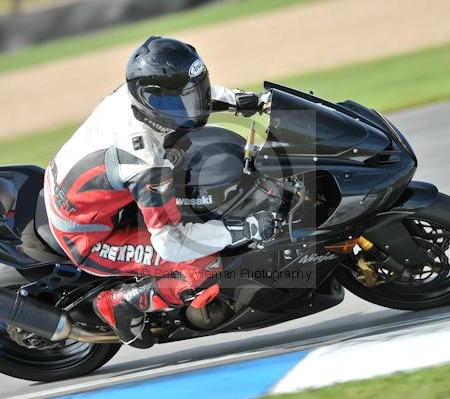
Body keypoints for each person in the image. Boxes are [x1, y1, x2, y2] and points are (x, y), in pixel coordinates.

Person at [43, 36, 276, 345]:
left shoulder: (133, 94)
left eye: (195, 92)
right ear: (150, 99)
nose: (190, 105)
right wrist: (244, 229)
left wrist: (249, 100)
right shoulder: (143, 161)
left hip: (90, 193)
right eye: (178, 101)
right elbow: (171, 242)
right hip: (89, 235)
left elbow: (189, 94)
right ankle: (122, 303)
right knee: (205, 263)